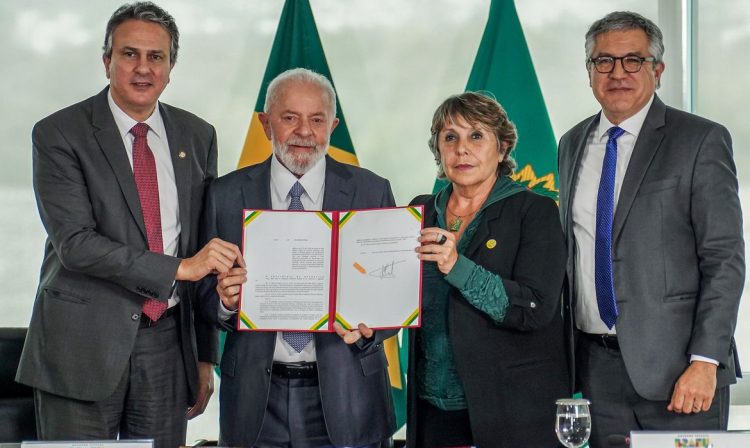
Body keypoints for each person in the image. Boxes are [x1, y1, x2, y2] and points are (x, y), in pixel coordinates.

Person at [17, 3, 244, 447]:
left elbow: (203, 247)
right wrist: (179, 269)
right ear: (107, 62)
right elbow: (76, 244)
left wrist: (203, 356)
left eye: (156, 57)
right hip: (81, 347)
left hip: (166, 347)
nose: (143, 68)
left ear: (171, 67)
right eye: (129, 54)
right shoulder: (59, 133)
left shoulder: (198, 136)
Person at [558, 11, 744, 446]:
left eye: (633, 61)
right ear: (589, 72)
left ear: (657, 70)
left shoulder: (700, 140)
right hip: (594, 369)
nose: (617, 73)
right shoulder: (571, 144)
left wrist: (706, 361)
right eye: (604, 61)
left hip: (680, 373)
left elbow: (724, 259)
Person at [197, 68, 397, 448]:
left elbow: (391, 296)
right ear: (265, 123)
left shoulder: (371, 190)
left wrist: (375, 327)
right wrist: (224, 301)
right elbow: (202, 298)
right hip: (256, 399)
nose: (304, 132)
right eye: (290, 117)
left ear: (333, 126)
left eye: (317, 120)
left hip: (349, 392)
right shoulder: (224, 195)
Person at [408, 92, 568, 448]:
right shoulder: (420, 212)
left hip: (512, 410)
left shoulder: (535, 211)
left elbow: (535, 308)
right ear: (438, 149)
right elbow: (398, 297)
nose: (462, 149)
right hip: (432, 408)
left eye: (476, 135)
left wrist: (458, 267)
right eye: (450, 137)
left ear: (503, 145)